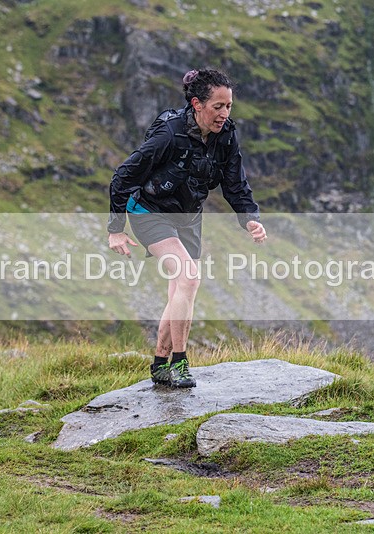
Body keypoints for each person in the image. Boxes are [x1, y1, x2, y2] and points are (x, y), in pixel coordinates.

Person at [107, 68, 267, 388]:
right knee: (189, 278)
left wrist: (249, 216)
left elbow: (234, 181)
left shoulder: (225, 136)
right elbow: (124, 176)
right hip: (149, 212)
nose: (224, 114)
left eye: (229, 106)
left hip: (188, 217)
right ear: (197, 104)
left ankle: (159, 364)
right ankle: (180, 363)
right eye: (218, 107)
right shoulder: (168, 134)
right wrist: (116, 229)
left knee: (180, 290)